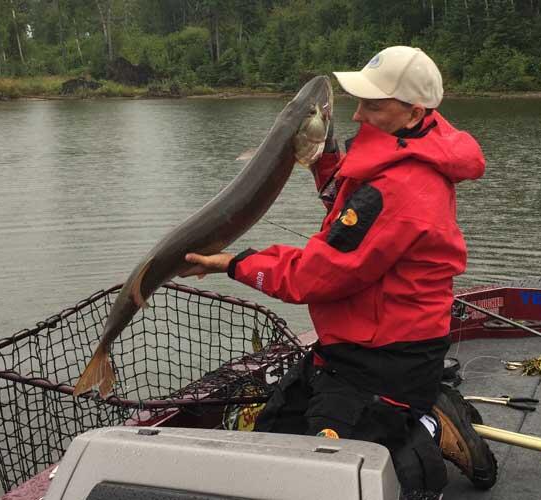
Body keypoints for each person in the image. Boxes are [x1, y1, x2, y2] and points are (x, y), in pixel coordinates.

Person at [181, 46, 496, 500]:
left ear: (414, 111)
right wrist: (325, 160)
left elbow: (316, 276)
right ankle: (419, 410)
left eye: (374, 104)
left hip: (390, 359)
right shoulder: (408, 146)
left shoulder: (401, 187)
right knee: (273, 435)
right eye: (359, 101)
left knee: (332, 475)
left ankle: (427, 424)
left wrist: (234, 263)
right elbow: (350, 210)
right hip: (348, 344)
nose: (357, 115)